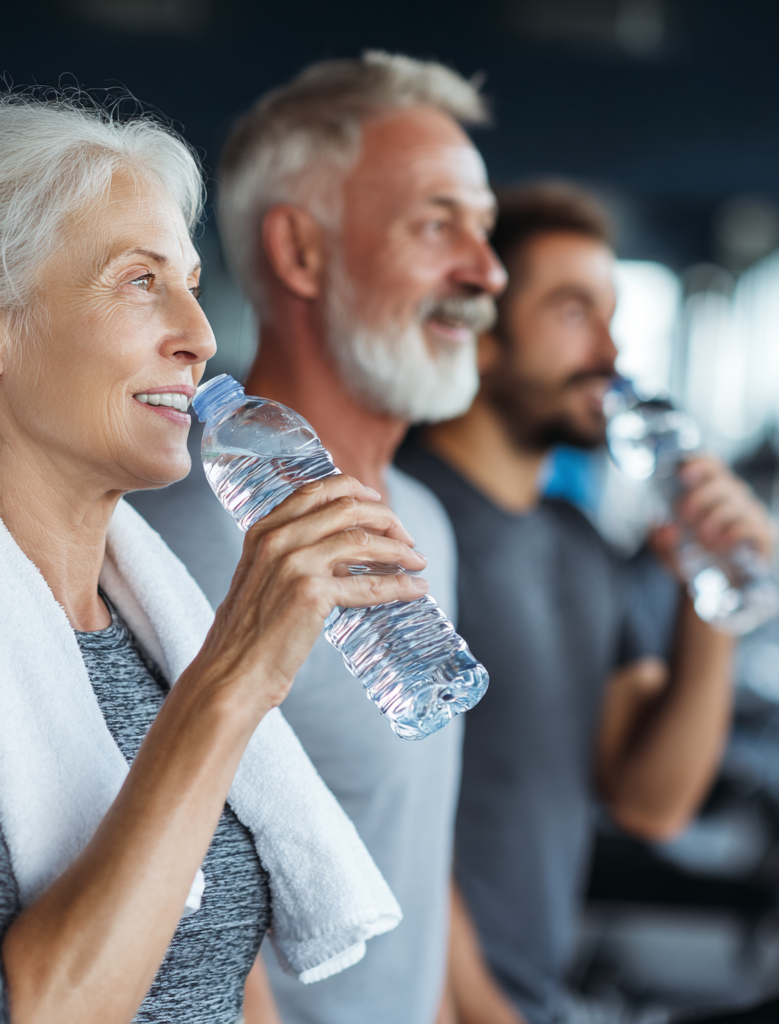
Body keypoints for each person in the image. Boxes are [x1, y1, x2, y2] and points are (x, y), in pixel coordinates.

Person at [0, 93, 431, 1024]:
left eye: (192, 283)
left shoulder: (156, 628)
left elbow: (223, 986)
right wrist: (235, 679)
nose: (200, 336)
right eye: (137, 280)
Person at [128, 51, 506, 1024]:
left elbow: (405, 843)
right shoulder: (178, 549)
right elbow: (188, 915)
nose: (485, 270)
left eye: (485, 229)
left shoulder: (418, 519)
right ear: (300, 252)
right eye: (437, 224)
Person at [396, 181, 776, 1024]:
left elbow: (650, 801)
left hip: (537, 996)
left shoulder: (575, 539)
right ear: (480, 336)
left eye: (611, 315)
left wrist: (707, 588)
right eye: (573, 311)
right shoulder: (401, 518)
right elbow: (380, 815)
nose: (610, 351)